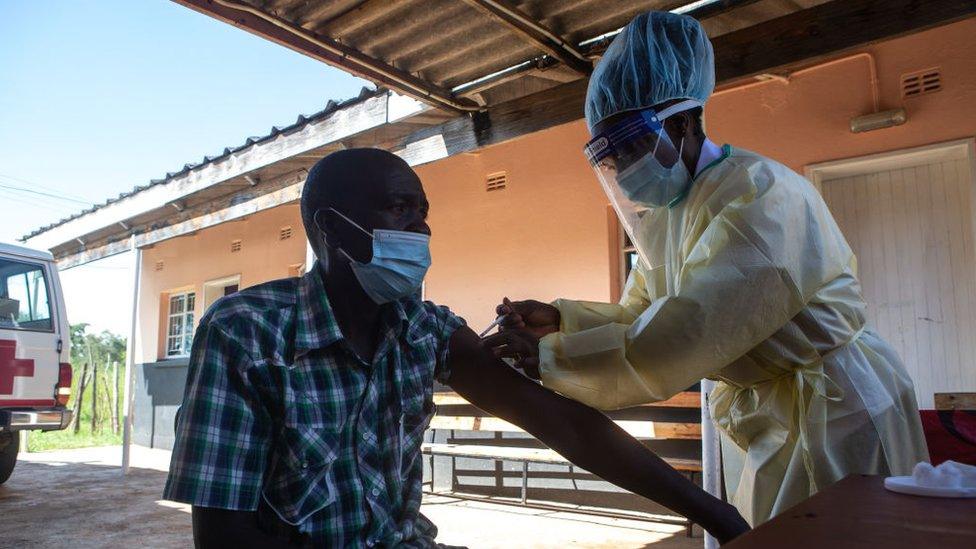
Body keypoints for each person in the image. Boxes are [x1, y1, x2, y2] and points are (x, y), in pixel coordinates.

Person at [163, 148, 749, 547]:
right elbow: (222, 536)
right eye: (398, 210)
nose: (420, 229)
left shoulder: (423, 329)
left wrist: (717, 516)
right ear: (332, 228)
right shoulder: (245, 332)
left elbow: (564, 425)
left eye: (422, 213)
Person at [487, 11, 929, 526]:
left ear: (681, 121)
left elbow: (688, 329)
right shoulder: (669, 217)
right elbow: (644, 313)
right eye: (612, 158)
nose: (626, 171)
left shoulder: (760, 196)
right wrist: (564, 321)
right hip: (771, 410)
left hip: (836, 408)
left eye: (631, 147)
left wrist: (550, 355)